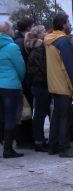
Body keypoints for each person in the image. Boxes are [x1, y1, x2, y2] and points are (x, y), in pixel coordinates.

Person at [44, 13, 73, 157]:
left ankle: (53, 146)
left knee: (56, 117)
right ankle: (64, 147)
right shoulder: (63, 41)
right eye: (68, 22)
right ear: (63, 24)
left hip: (53, 83)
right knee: (64, 117)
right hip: (64, 84)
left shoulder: (48, 39)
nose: (70, 25)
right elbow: (69, 66)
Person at [0, 21, 26, 158]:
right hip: (10, 87)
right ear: (7, 30)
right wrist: (18, 81)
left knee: (1, 117)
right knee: (10, 117)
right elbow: (21, 68)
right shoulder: (12, 47)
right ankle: (8, 150)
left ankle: (3, 144)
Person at [25, 25, 51, 152]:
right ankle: (39, 141)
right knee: (40, 113)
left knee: (40, 112)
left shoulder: (32, 47)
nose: (46, 33)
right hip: (41, 84)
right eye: (44, 31)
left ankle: (39, 139)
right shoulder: (40, 48)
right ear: (40, 34)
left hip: (36, 84)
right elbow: (44, 67)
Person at [14, 17, 34, 148]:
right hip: (25, 82)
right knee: (26, 111)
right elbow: (23, 65)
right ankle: (25, 140)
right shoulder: (23, 43)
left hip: (18, 82)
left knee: (20, 111)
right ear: (28, 28)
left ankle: (21, 139)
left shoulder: (15, 41)